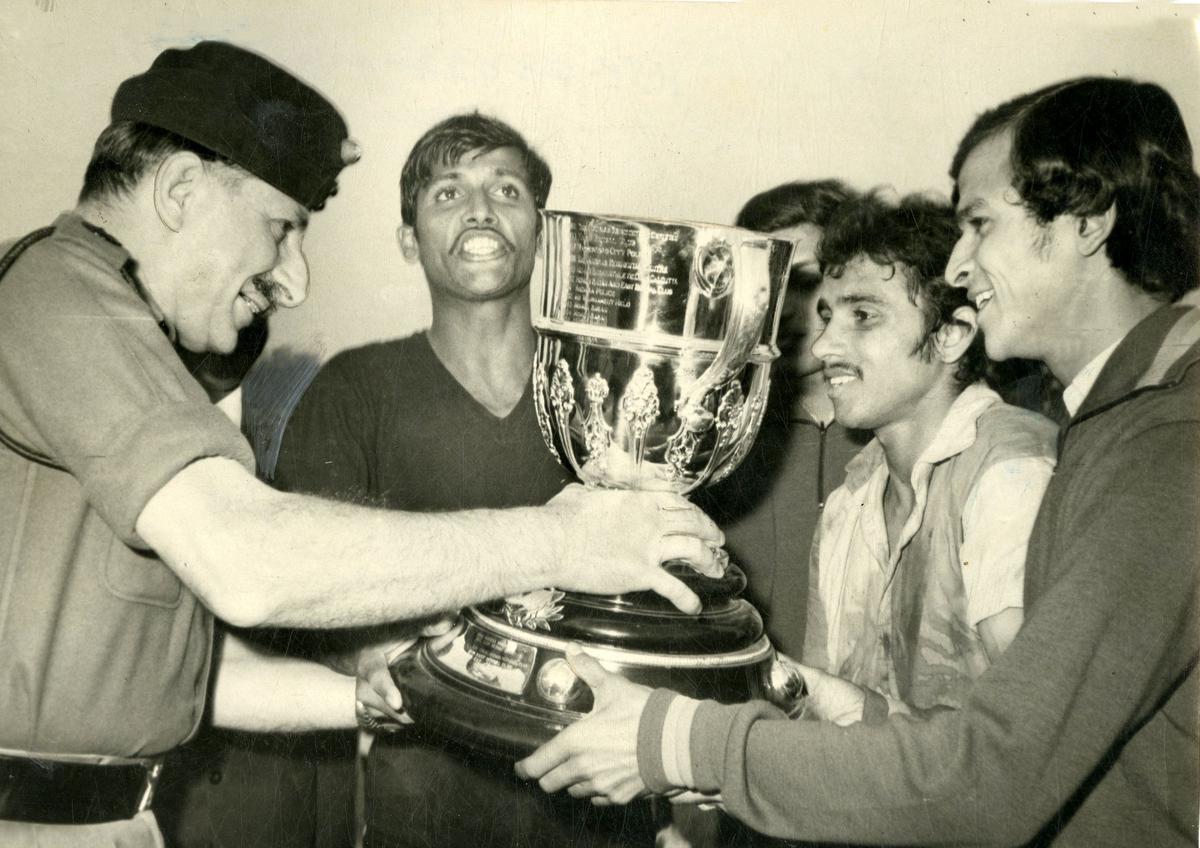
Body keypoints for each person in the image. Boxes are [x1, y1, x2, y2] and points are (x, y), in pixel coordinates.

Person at [0, 42, 722, 845]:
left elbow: (180, 674)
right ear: (179, 190)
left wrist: (374, 692)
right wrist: (562, 540)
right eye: (281, 229)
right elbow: (252, 565)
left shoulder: (117, 331)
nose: (294, 279)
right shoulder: (61, 295)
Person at [516, 76, 1199, 847]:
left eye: (979, 224)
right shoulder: (1112, 424)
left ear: (1086, 220)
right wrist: (838, 707)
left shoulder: (1165, 440)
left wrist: (677, 741)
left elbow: (991, 780)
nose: (962, 264)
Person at [269, 112, 664, 848]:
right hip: (428, 800)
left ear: (541, 226)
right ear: (407, 240)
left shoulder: (609, 386)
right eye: (448, 193)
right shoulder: (353, 388)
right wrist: (367, 660)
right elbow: (302, 594)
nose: (481, 208)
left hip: (603, 795)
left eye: (505, 189)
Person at [795, 191, 1055, 725]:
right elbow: (814, 721)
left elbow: (1036, 736)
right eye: (827, 316)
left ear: (951, 336)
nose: (823, 347)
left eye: (862, 315)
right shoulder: (849, 501)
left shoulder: (1009, 474)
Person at [696, 180, 869, 660]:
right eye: (767, 285)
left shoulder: (898, 428)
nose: (783, 308)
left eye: (807, 281)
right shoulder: (715, 433)